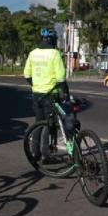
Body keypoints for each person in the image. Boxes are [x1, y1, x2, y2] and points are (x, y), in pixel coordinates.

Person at [24, 28, 70, 162]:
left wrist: (36, 85)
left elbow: (27, 74)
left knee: (38, 122)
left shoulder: (32, 53)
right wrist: (65, 92)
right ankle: (46, 155)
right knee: (49, 124)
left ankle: (34, 152)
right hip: (51, 95)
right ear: (52, 40)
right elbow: (61, 77)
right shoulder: (55, 54)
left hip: (37, 94)